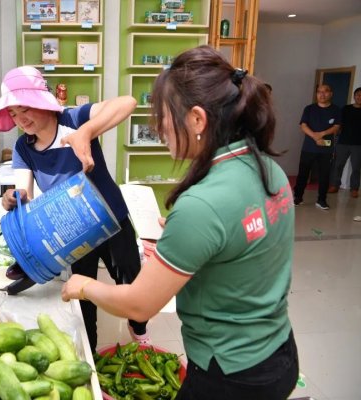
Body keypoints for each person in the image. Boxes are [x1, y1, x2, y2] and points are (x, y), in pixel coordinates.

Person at [61, 46, 299, 400]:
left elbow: (139, 305)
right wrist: (184, 240)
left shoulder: (202, 205)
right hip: (279, 351)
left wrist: (83, 286)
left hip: (229, 374)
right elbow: (243, 244)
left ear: (198, 119)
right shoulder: (269, 168)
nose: (157, 128)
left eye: (163, 115)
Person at [0, 66, 150, 351]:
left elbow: (127, 102)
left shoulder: (73, 118)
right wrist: (11, 198)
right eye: (13, 113)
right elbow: (24, 193)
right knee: (84, 294)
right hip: (74, 233)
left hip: (112, 219)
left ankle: (139, 329)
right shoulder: (23, 148)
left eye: (25, 109)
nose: (20, 119)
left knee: (131, 280)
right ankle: (91, 353)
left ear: (42, 102)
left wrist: (85, 133)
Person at [292, 84, 341, 210]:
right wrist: (315, 136)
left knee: (324, 175)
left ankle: (321, 200)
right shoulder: (309, 109)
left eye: (325, 91)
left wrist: (322, 134)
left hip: (326, 149)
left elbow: (336, 127)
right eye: (319, 92)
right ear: (316, 94)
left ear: (331, 94)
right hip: (308, 148)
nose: (322, 94)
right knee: (303, 173)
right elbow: (303, 125)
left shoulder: (336, 110)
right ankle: (298, 197)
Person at [328, 87, 361, 198]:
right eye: (358, 94)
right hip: (343, 142)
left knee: (356, 167)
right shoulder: (346, 109)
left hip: (358, 145)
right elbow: (339, 124)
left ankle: (354, 189)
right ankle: (334, 185)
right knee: (338, 165)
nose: (359, 97)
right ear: (354, 96)